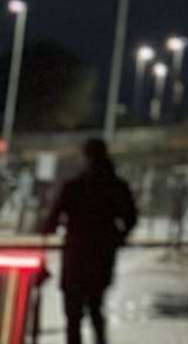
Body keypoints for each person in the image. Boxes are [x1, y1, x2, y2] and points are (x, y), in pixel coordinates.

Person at [40, 138, 138, 344]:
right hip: (102, 256)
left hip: (76, 255)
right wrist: (116, 238)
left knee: (73, 315)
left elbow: (52, 220)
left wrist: (45, 228)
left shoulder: (73, 186)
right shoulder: (116, 186)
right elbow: (131, 218)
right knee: (96, 308)